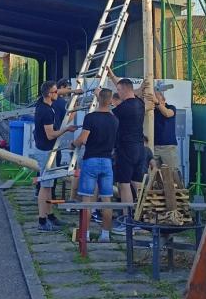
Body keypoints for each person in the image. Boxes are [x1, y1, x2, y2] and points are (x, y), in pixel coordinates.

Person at [72, 87, 118, 242]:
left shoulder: (90, 118)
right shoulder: (114, 120)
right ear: (111, 101)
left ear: (98, 99)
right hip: (107, 162)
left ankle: (85, 235)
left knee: (87, 200)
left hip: (91, 160)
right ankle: (105, 235)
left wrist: (73, 144)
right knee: (106, 200)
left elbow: (83, 138)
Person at [33, 80, 80, 232]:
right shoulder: (46, 111)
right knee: (45, 186)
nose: (58, 94)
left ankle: (50, 215)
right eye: (55, 92)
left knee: (49, 186)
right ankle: (42, 220)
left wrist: (73, 92)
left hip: (47, 150)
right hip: (46, 151)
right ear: (49, 94)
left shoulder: (43, 102)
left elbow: (58, 91)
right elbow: (50, 135)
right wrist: (66, 129)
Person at [107, 76, 146, 214]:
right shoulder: (140, 103)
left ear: (124, 90)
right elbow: (135, 93)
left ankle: (127, 217)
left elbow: (107, 114)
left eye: (118, 90)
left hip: (126, 148)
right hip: (140, 147)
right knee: (137, 183)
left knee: (124, 184)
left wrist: (101, 97)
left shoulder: (123, 108)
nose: (118, 93)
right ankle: (143, 214)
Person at [153, 87, 179, 171]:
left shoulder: (171, 107)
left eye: (156, 98)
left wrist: (157, 103)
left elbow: (167, 114)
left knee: (172, 173)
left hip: (168, 147)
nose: (154, 100)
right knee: (154, 174)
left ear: (163, 99)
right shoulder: (152, 111)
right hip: (154, 147)